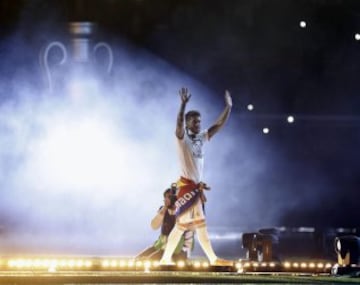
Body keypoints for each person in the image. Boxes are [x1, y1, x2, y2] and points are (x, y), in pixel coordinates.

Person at [160, 87, 233, 266]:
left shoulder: (202, 136)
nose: (198, 124)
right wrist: (183, 105)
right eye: (194, 122)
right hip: (187, 187)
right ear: (187, 124)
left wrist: (228, 107)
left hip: (195, 188)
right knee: (194, 225)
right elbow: (178, 123)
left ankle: (165, 259)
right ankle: (212, 259)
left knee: (185, 226)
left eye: (199, 121)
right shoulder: (182, 138)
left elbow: (218, 125)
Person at [136, 185, 194, 261]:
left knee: (149, 260)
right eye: (165, 197)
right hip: (161, 245)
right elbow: (154, 226)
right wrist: (164, 208)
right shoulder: (163, 210)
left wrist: (186, 252)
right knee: (138, 259)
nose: (166, 199)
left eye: (169, 197)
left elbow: (189, 234)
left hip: (177, 249)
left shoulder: (184, 212)